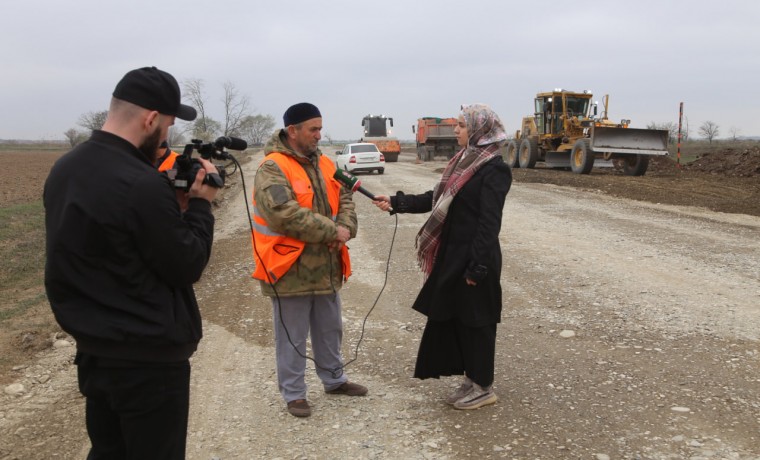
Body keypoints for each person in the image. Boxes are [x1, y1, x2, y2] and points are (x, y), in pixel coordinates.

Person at [44, 66, 219, 459]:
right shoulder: (141, 182)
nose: (167, 137)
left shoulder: (65, 169)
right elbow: (187, 263)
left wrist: (169, 210)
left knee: (108, 451)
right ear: (151, 118)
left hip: (95, 351)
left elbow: (109, 245)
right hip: (148, 362)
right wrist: (201, 207)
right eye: (169, 125)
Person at [373, 104, 512, 410]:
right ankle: (472, 378)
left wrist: (478, 266)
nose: (456, 130)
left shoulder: (494, 168)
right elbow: (436, 199)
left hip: (476, 256)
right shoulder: (463, 161)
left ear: (479, 129)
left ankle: (484, 386)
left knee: (478, 320)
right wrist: (398, 202)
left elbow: (489, 224)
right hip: (452, 254)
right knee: (457, 317)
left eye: (462, 125)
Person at [251, 102, 367, 418]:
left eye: (320, 128)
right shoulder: (272, 168)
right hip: (289, 270)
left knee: (330, 329)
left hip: (327, 266)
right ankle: (294, 394)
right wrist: (333, 230)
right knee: (292, 336)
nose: (319, 134)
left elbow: (345, 201)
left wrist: (346, 229)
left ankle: (334, 380)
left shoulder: (327, 164)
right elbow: (283, 214)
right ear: (293, 131)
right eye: (313, 129)